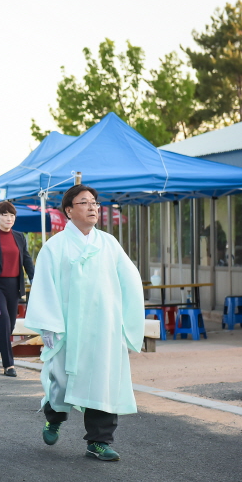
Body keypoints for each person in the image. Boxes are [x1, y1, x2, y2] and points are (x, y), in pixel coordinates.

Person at [24, 184, 144, 462]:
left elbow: (130, 281)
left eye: (94, 203)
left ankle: (99, 441)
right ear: (69, 210)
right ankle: (54, 415)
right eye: (84, 203)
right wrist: (49, 325)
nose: (92, 208)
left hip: (104, 328)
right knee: (63, 382)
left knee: (103, 382)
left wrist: (126, 321)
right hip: (68, 329)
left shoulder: (109, 243)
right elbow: (44, 286)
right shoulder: (54, 247)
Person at [0, 201, 35, 378]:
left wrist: (34, 279)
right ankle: (9, 365)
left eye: (12, 215)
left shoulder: (20, 237)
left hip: (14, 285)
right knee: (4, 320)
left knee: (10, 325)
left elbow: (26, 260)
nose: (9, 218)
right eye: (5, 215)